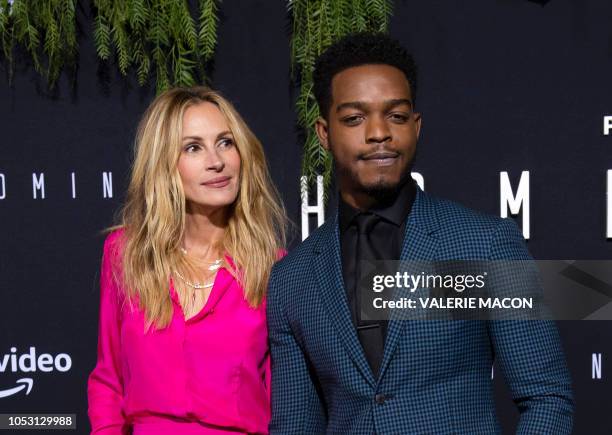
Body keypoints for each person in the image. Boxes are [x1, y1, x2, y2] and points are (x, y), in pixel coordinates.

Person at [267, 32, 574, 434]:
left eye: (395, 116)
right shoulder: (294, 279)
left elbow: (547, 398)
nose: (379, 132)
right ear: (324, 133)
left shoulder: (484, 244)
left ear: (416, 126)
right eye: (355, 118)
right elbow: (295, 425)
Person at [88, 86, 286, 435]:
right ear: (164, 165)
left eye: (226, 142)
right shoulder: (126, 253)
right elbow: (108, 379)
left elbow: (284, 399)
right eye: (193, 147)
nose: (217, 161)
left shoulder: (271, 267)